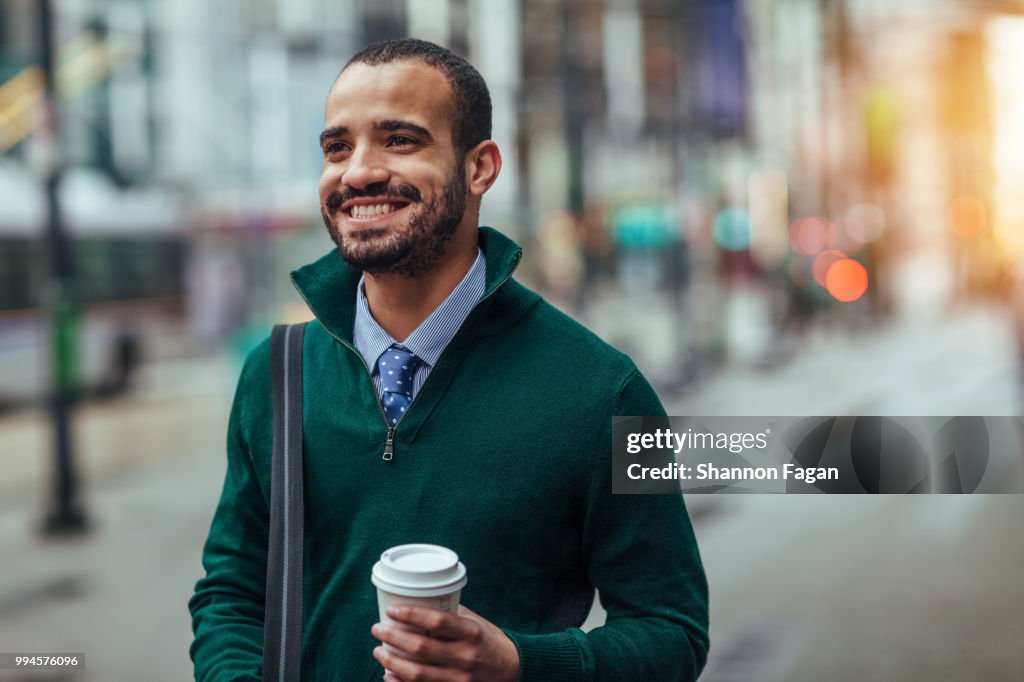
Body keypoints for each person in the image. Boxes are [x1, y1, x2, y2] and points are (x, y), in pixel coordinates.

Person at [189, 38, 709, 682]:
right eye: (336, 147)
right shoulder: (277, 373)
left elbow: (673, 634)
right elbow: (232, 595)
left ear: (480, 167)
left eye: (399, 140)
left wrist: (521, 665)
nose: (358, 172)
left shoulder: (603, 391)